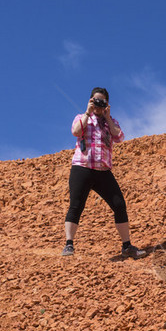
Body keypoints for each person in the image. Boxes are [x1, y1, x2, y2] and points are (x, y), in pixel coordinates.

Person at [62, 87, 146, 259]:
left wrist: (107, 117)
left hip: (103, 171)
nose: (98, 105)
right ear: (90, 100)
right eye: (95, 101)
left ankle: (127, 246)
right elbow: (76, 131)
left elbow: (119, 137)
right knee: (76, 205)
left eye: (102, 102)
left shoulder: (110, 122)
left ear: (107, 104)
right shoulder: (82, 117)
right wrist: (88, 112)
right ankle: (69, 245)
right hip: (82, 167)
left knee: (119, 205)